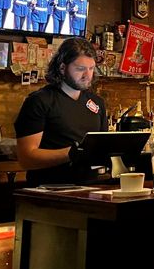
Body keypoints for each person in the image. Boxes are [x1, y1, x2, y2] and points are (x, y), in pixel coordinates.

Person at [14, 37, 107, 186]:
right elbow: (26, 158)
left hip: (91, 191)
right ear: (62, 68)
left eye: (91, 68)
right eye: (80, 69)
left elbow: (102, 148)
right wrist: (72, 153)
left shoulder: (97, 103)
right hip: (49, 193)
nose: (87, 75)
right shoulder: (39, 101)